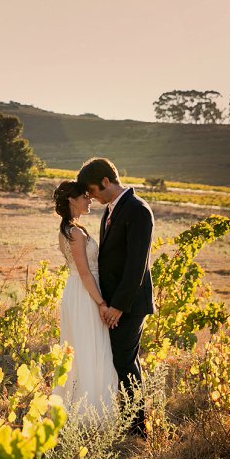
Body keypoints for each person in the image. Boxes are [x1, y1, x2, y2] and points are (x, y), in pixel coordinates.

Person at [76, 157, 154, 438]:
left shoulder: (138, 210)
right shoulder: (110, 210)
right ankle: (129, 419)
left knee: (124, 362)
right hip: (113, 304)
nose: (91, 197)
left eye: (92, 190)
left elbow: (136, 266)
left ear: (105, 181)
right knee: (123, 360)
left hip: (130, 304)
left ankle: (137, 429)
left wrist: (118, 306)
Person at [51, 180, 119, 422]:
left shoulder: (72, 229)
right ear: (72, 200)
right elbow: (84, 273)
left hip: (80, 291)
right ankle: (87, 414)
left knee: (86, 347)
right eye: (85, 197)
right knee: (88, 348)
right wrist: (101, 303)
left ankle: (86, 408)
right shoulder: (75, 233)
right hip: (84, 294)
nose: (90, 200)